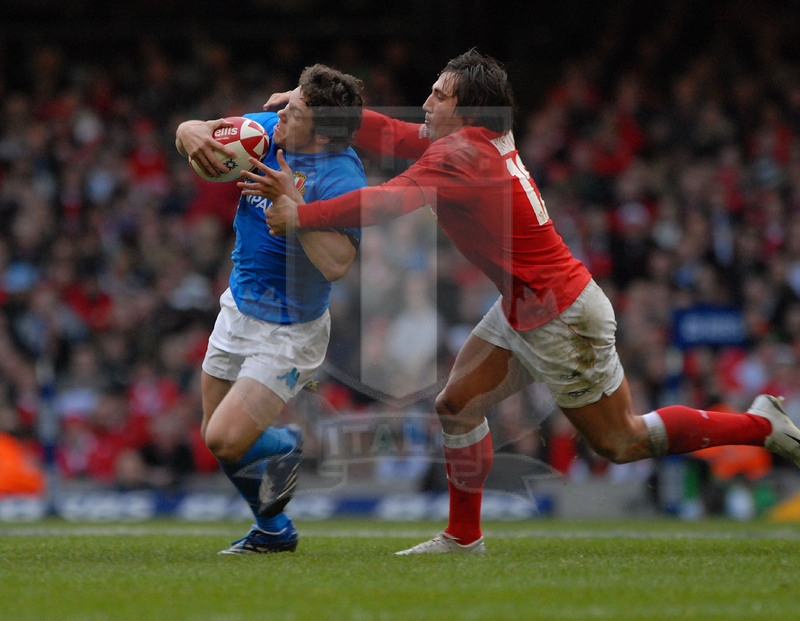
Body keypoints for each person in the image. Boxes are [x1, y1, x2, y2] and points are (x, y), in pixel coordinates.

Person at [256, 49, 800, 555]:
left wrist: (301, 214)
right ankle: (464, 538)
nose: (426, 103)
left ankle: (761, 425)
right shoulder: (470, 142)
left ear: (467, 109)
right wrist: (316, 111)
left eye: (439, 96)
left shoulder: (464, 154)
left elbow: (384, 202)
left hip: (563, 317)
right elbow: (397, 134)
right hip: (527, 303)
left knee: (622, 440)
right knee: (456, 405)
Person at [175, 64, 366, 554]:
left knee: (225, 438)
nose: (281, 112)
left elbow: (340, 263)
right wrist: (189, 132)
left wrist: (297, 209)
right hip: (237, 309)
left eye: (295, 110)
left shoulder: (341, 177)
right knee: (217, 436)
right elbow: (193, 132)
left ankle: (283, 446)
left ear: (321, 134)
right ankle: (274, 531)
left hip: (290, 332)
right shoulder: (265, 133)